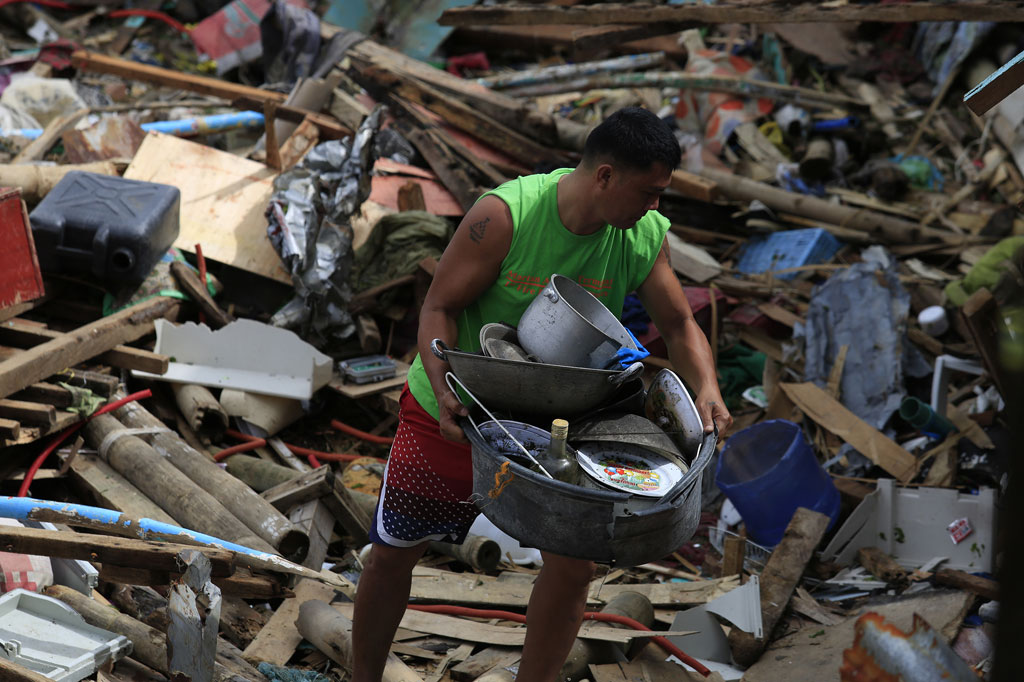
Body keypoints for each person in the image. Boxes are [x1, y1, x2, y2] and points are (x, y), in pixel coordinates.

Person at [351, 107, 732, 682]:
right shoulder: (507, 215)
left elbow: (679, 326)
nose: (654, 208)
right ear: (604, 176)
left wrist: (706, 386)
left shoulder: (640, 236)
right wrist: (445, 388)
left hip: (565, 420)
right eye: (648, 193)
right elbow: (440, 308)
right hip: (460, 403)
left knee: (573, 567)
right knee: (394, 551)